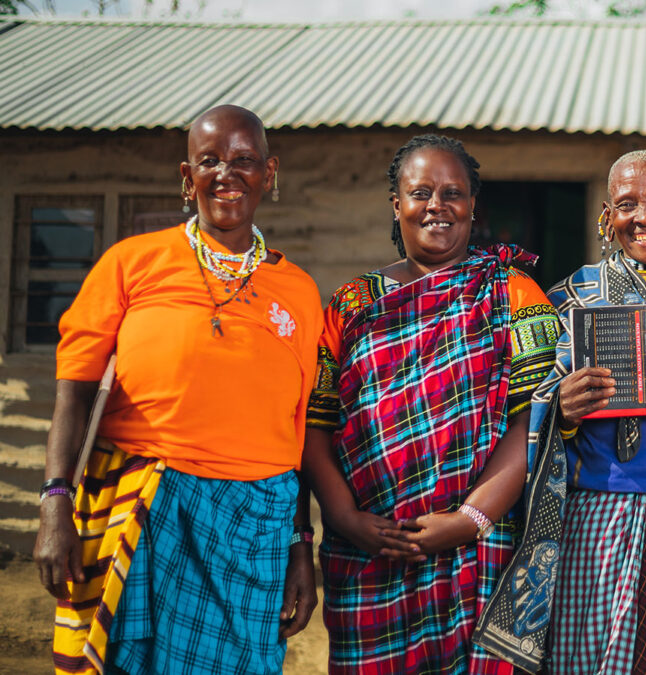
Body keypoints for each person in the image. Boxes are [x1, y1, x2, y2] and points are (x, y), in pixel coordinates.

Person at [34, 104, 322, 674]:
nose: (227, 174)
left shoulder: (301, 293)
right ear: (187, 178)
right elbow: (75, 391)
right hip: (140, 504)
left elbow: (302, 429)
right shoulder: (132, 263)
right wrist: (54, 503)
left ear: (270, 173)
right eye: (209, 161)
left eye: (244, 160)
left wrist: (301, 546)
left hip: (254, 526)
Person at [478, 150, 646, 674]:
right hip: (599, 515)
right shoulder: (572, 299)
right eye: (628, 205)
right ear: (607, 217)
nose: (645, 217)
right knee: (592, 659)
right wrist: (565, 408)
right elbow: (532, 406)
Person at [302, 134, 562, 674]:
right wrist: (346, 519)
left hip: (481, 551)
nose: (437, 206)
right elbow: (316, 423)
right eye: (421, 192)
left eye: (454, 193)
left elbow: (535, 421)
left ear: (473, 206)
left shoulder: (513, 293)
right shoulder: (352, 304)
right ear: (397, 205)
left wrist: (470, 518)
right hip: (370, 554)